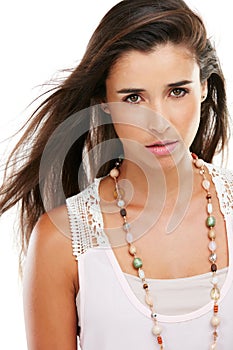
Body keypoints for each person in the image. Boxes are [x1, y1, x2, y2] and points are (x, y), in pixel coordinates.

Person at [0, 0, 233, 349]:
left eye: (177, 91)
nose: (159, 122)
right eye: (134, 98)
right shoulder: (61, 242)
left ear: (203, 87)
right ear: (104, 103)